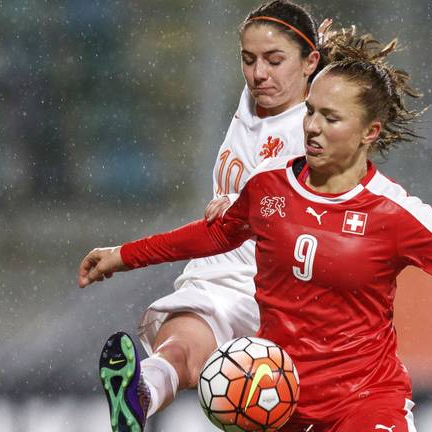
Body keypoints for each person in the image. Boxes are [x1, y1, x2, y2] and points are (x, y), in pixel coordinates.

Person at [81, 31, 432, 432]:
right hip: (281, 400)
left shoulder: (395, 214)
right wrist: (123, 255)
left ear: (369, 133)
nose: (311, 127)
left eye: (330, 118)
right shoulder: (269, 190)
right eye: (310, 112)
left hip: (366, 401)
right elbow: (214, 237)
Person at [87, 2, 337, 431]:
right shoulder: (259, 97)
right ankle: (139, 396)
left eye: (275, 60)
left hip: (266, 289)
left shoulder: (309, 133)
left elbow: (324, 206)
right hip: (213, 271)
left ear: (309, 63)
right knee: (176, 352)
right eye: (249, 59)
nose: (259, 73)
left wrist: (251, 210)